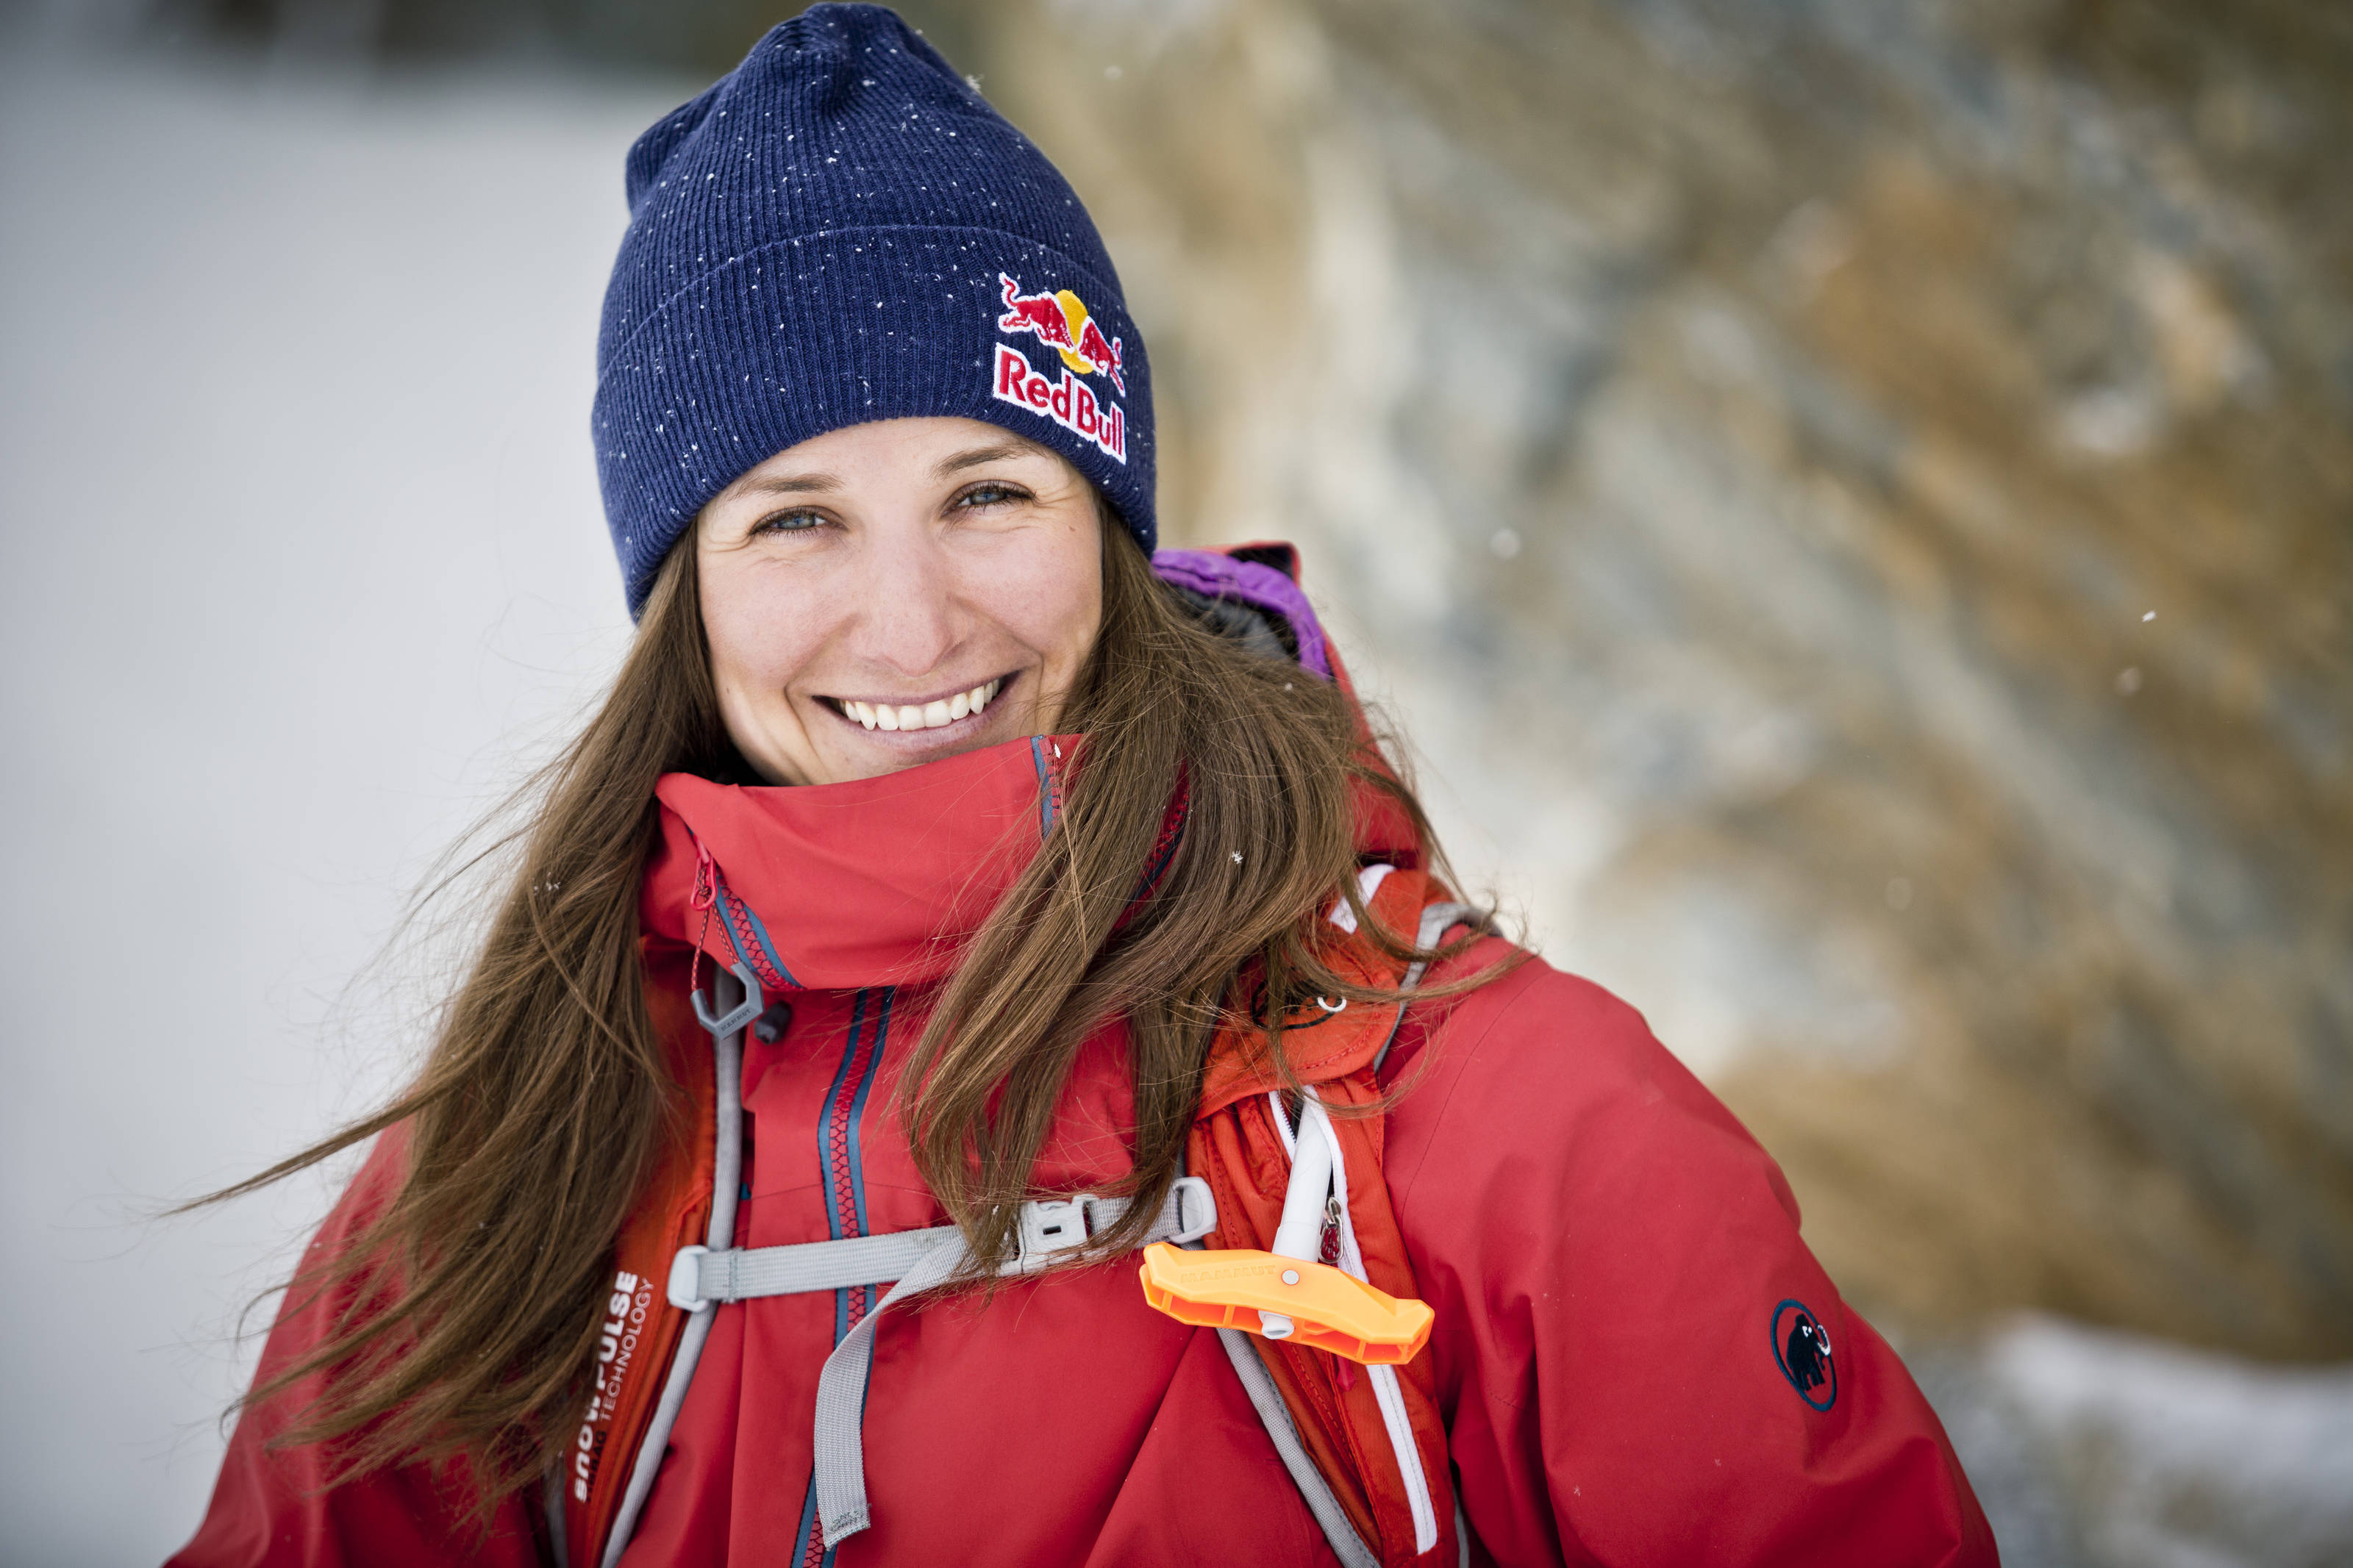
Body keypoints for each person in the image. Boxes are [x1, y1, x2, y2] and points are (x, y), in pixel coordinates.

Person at [170, 7, 1997, 1565]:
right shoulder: (526, 1155)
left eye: (989, 493)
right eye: (796, 519)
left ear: (1111, 528)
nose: (911, 623)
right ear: (683, 595)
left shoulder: (1497, 1117)